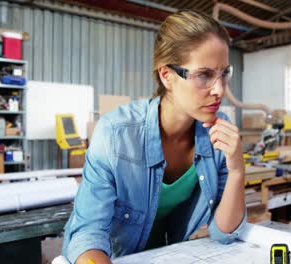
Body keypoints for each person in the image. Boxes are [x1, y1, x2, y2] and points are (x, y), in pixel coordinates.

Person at [62, 10, 247, 264]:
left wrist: (237, 170)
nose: (219, 90)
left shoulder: (218, 132)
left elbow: (224, 232)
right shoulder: (116, 136)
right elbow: (87, 235)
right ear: (167, 75)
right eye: (204, 75)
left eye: (224, 73)